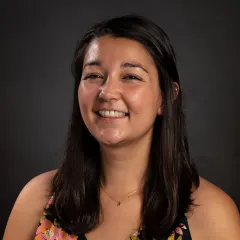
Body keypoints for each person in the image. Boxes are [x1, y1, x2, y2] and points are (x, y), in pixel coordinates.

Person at [3, 15, 240, 240]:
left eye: (131, 77)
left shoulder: (212, 213)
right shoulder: (37, 198)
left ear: (165, 98)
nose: (106, 92)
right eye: (93, 75)